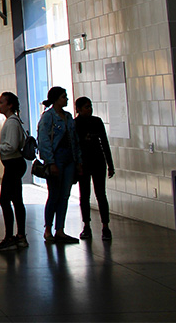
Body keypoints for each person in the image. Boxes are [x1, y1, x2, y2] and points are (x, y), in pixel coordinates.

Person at [37, 86, 82, 244]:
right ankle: (48, 229)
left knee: (64, 196)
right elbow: (43, 141)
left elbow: (74, 141)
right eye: (64, 97)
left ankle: (60, 229)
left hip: (69, 159)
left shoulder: (69, 118)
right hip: (56, 159)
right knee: (54, 195)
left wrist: (78, 161)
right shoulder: (48, 117)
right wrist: (50, 162)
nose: (67, 99)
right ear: (56, 99)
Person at [74, 96, 115, 241]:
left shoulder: (97, 122)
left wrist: (110, 164)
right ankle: (86, 226)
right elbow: (75, 146)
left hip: (98, 161)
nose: (89, 109)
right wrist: (76, 165)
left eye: (90, 106)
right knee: (84, 195)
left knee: (100, 194)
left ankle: (105, 226)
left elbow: (104, 142)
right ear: (78, 109)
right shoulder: (76, 124)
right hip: (84, 163)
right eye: (86, 107)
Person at [0, 92, 28, 251]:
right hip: (14, 164)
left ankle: (10, 237)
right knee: (16, 200)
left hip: (13, 164)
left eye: (1, 102)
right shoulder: (12, 121)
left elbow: (11, 146)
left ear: (10, 105)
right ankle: (20, 236)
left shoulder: (12, 123)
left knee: (5, 200)